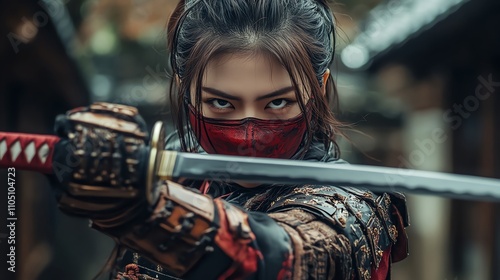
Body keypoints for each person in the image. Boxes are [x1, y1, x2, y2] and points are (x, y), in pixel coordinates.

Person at [51, 0, 409, 279]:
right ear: (184, 90)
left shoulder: (352, 206)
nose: (249, 135)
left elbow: (278, 261)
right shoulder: (172, 168)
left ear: (319, 90)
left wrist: (146, 205)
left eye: (278, 102)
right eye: (221, 103)